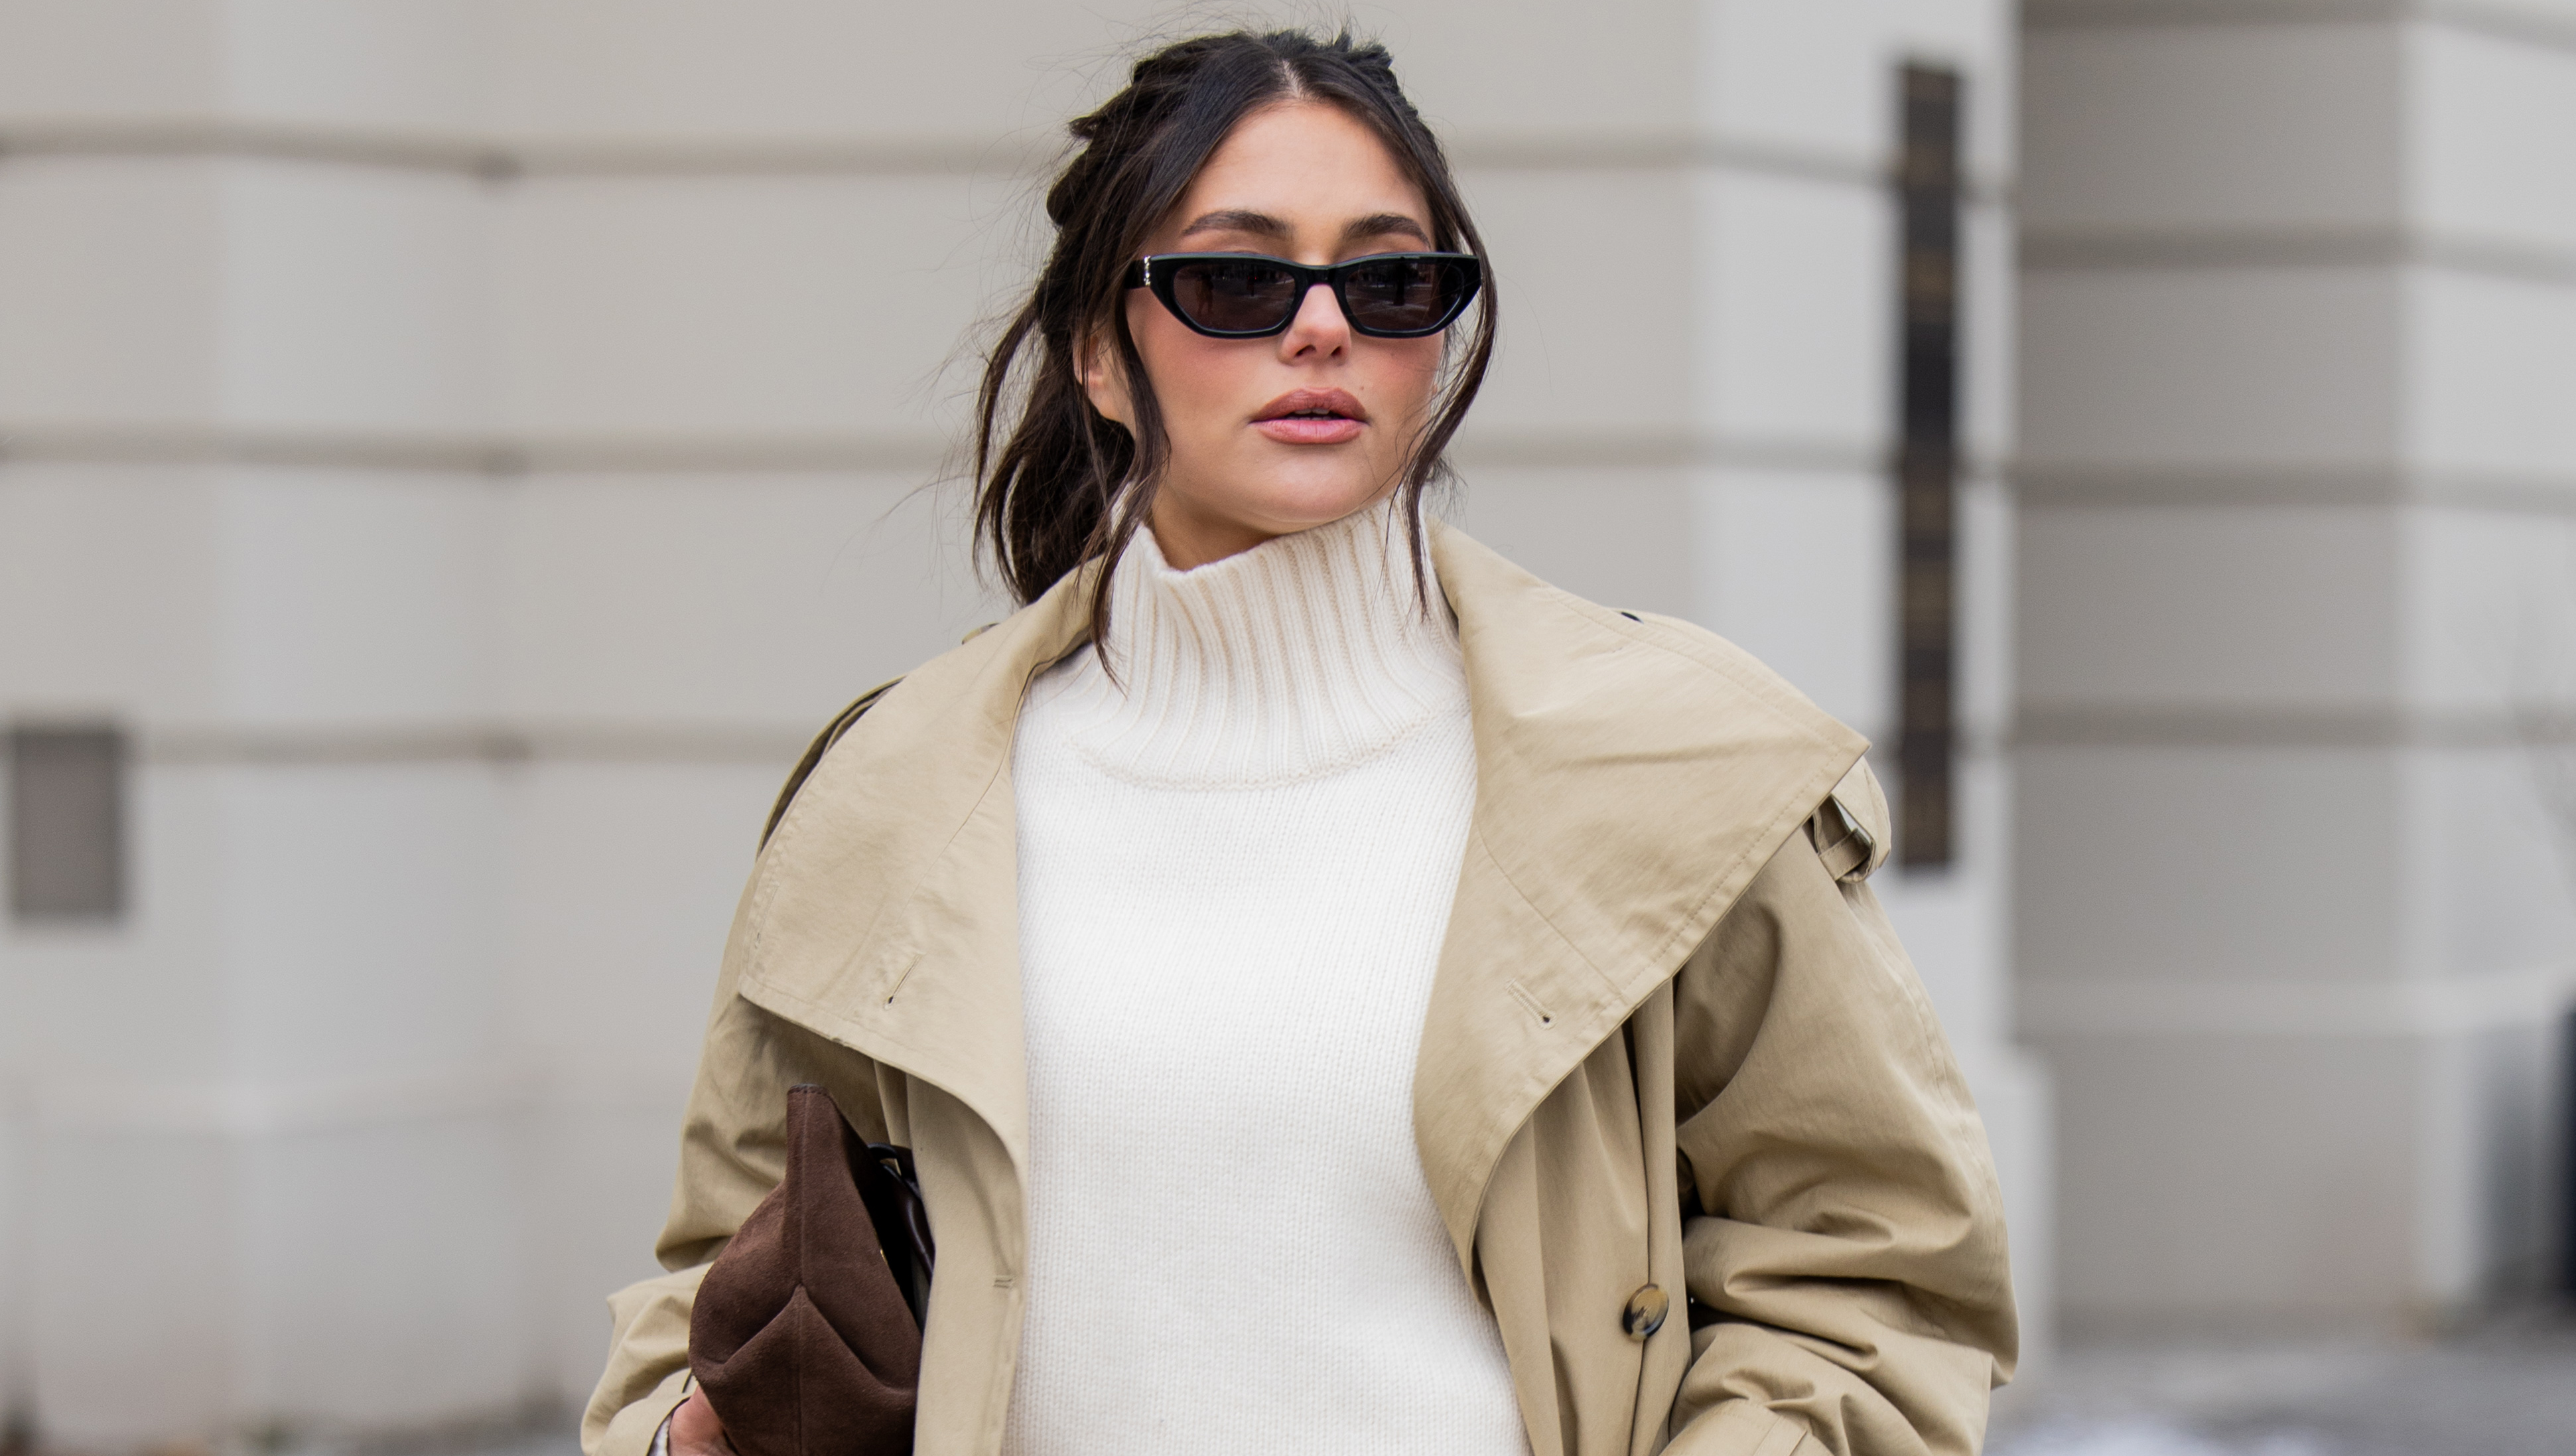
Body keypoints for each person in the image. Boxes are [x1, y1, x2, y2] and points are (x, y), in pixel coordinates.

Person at [584, 27, 2014, 1456]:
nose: (1321, 328)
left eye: (1389, 282)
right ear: (1098, 349)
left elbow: (1872, 1278)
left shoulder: (1680, 770)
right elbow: (716, 1298)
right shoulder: (893, 799)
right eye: (1236, 281)